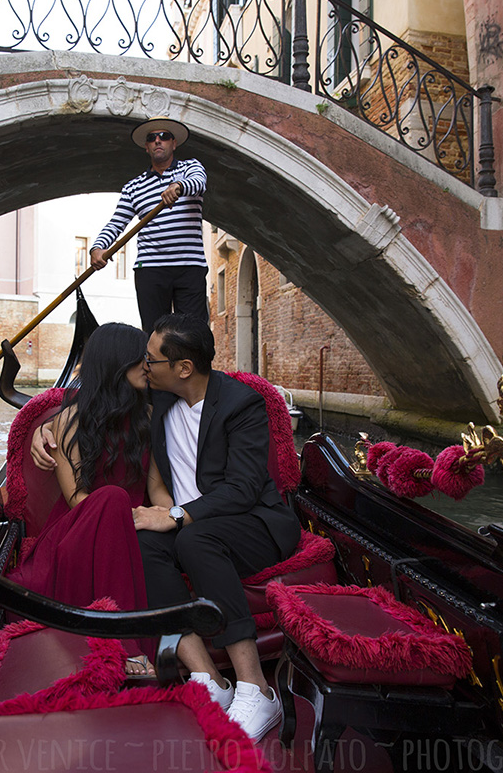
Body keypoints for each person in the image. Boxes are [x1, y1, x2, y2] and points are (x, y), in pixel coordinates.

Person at [32, 314, 301, 742]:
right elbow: (96, 400)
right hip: (184, 518)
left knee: (196, 537)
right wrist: (44, 427)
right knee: (145, 543)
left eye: (151, 359)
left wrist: (174, 516)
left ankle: (257, 688)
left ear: (183, 368)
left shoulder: (241, 404)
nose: (144, 365)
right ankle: (210, 678)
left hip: (253, 522)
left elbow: (245, 488)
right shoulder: (153, 403)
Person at [7, 322, 164, 675]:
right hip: (79, 531)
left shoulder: (149, 416)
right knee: (111, 497)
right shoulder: (68, 421)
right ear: (116, 363)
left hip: (131, 524)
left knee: (117, 501)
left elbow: (156, 491)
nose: (147, 366)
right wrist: (123, 512)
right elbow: (78, 499)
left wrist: (169, 515)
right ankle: (126, 645)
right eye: (140, 359)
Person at [89, 117, 209, 333]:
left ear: (174, 143)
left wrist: (179, 187)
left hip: (189, 266)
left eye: (164, 136)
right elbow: (117, 223)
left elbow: (198, 183)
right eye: (152, 138)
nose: (158, 141)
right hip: (151, 268)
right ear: (146, 147)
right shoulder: (134, 187)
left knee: (194, 334)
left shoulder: (190, 168)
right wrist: (97, 248)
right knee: (155, 336)